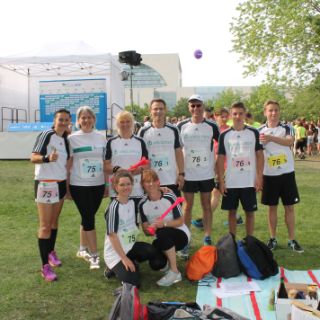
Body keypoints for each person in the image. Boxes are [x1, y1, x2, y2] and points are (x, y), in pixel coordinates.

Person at [104, 171, 165, 287]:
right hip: (116, 254)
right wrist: (124, 259)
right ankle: (112, 267)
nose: (126, 187)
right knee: (134, 284)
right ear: (116, 187)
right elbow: (112, 236)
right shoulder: (113, 208)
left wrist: (163, 189)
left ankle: (131, 262)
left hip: (130, 246)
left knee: (159, 261)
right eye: (122, 185)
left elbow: (151, 193)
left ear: (132, 185)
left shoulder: (134, 202)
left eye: (128, 184)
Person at [31, 108, 71, 282]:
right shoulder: (46, 134)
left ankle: (50, 253)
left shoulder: (66, 140)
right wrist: (47, 158)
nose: (63, 122)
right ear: (54, 121)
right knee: (45, 226)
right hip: (46, 184)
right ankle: (44, 267)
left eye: (66, 120)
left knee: (54, 222)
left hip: (60, 184)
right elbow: (33, 157)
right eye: (60, 119)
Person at [259, 100, 303, 253]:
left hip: (287, 173)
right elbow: (257, 153)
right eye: (270, 110)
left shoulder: (287, 127)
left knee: (289, 208)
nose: (273, 113)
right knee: (272, 208)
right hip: (269, 175)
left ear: (279, 111)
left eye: (276, 110)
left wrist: (271, 138)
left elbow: (289, 142)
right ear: (265, 112)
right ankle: (272, 239)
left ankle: (292, 240)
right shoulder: (259, 130)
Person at [177, 94, 220, 251]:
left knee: (206, 205)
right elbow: (176, 150)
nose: (196, 108)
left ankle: (207, 236)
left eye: (198, 105)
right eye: (192, 105)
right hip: (188, 173)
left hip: (206, 173)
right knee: (187, 206)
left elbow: (221, 147)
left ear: (203, 107)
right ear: (189, 108)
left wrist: (217, 167)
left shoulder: (212, 126)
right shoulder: (181, 126)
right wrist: (179, 171)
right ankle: (185, 239)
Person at [67, 106, 107, 270]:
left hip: (97, 185)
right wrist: (67, 187)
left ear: (94, 120)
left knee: (87, 216)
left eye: (89, 117)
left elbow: (105, 163)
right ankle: (94, 255)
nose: (86, 120)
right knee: (89, 218)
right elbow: (68, 164)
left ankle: (82, 249)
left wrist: (106, 184)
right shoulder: (72, 139)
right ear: (78, 120)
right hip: (79, 185)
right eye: (83, 117)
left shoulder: (101, 137)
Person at [217, 102, 264, 236]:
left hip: (249, 181)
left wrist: (259, 177)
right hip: (231, 181)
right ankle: (232, 240)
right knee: (232, 212)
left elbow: (260, 156)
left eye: (241, 113)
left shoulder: (254, 132)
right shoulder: (224, 135)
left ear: (245, 114)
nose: (238, 116)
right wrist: (221, 181)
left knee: (250, 212)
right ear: (231, 115)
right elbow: (220, 159)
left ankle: (249, 240)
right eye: (235, 114)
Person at [192, 107, 243, 229]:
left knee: (217, 193)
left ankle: (203, 220)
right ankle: (237, 218)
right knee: (222, 193)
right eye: (222, 116)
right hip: (215, 166)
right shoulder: (212, 130)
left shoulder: (229, 131)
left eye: (226, 116)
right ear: (215, 116)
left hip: (226, 167)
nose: (224, 119)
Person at [139, 169, 190, 286]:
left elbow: (181, 221)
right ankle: (167, 263)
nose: (151, 184)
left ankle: (175, 272)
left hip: (181, 233)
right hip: (163, 237)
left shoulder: (169, 196)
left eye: (154, 181)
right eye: (147, 182)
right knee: (156, 264)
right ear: (142, 185)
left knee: (163, 233)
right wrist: (148, 229)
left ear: (158, 182)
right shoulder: (142, 203)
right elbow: (146, 231)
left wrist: (164, 224)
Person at [138, 99, 184, 197]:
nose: (158, 111)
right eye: (155, 109)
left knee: (174, 210)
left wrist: (181, 174)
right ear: (150, 111)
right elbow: (139, 157)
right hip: (150, 181)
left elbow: (178, 152)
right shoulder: (143, 131)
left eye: (161, 109)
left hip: (171, 179)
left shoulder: (173, 129)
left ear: (165, 110)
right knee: (153, 211)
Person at [105, 111, 149, 206]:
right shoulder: (111, 142)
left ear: (132, 123)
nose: (125, 124)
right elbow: (106, 166)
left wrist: (139, 169)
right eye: (122, 121)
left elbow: (147, 164)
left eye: (128, 121)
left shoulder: (140, 141)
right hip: (117, 190)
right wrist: (117, 169)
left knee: (136, 219)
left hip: (137, 189)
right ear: (117, 124)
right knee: (118, 218)